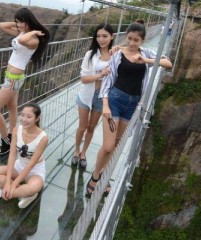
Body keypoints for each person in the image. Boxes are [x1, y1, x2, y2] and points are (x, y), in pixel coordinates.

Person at [86, 22, 172, 197]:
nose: (132, 43)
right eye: (130, 39)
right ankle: (95, 176)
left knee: (117, 144)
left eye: (137, 40)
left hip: (133, 104)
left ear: (143, 40)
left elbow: (168, 63)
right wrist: (105, 105)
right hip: (115, 101)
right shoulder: (117, 54)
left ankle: (104, 176)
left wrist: (146, 61)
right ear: (126, 36)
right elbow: (108, 81)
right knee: (108, 146)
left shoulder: (147, 53)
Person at [0, 8, 49, 160]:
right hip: (12, 77)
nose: (19, 25)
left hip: (14, 78)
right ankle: (12, 134)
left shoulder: (33, 40)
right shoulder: (22, 32)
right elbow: (2, 25)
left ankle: (5, 140)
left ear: (30, 21)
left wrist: (33, 31)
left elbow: (22, 41)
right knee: (12, 108)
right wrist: (19, 25)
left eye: (23, 21)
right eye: (18, 21)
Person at [0, 102, 49, 209]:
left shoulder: (43, 138)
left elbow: (31, 164)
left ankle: (2, 191)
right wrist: (8, 182)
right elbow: (12, 155)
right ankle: (22, 193)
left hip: (35, 171)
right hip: (19, 166)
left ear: (37, 118)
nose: (24, 119)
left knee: (34, 187)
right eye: (22, 115)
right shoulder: (16, 130)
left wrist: (12, 185)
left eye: (29, 116)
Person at [72, 23, 115, 169]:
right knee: (82, 127)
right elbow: (83, 79)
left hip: (101, 98)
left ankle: (83, 153)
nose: (101, 39)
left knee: (91, 127)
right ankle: (76, 150)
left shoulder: (115, 55)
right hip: (86, 95)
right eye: (98, 36)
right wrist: (100, 75)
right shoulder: (90, 55)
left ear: (112, 37)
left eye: (105, 36)